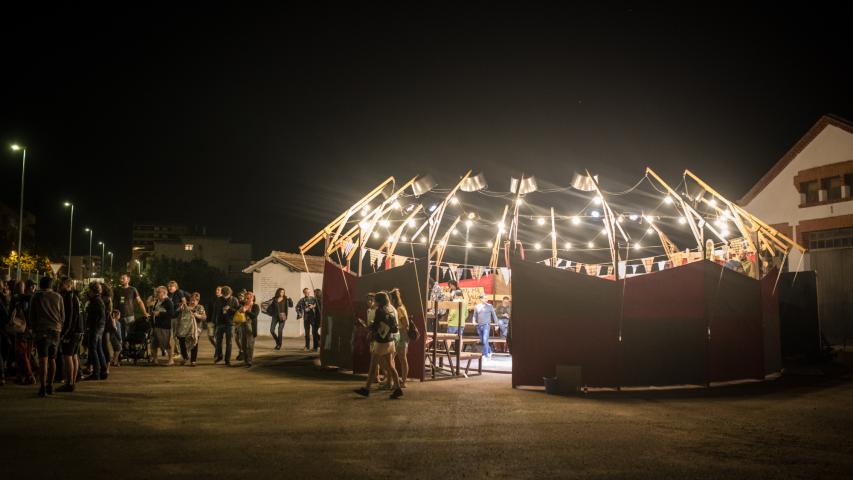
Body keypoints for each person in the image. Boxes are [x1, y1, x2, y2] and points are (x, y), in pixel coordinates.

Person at [355, 291, 403, 399]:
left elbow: (375, 326)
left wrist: (366, 326)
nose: (373, 301)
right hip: (390, 340)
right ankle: (398, 388)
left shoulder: (379, 311)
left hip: (380, 342)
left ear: (378, 301)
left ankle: (366, 389)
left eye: (375, 300)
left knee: (373, 367)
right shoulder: (390, 309)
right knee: (391, 366)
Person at [28, 276, 65, 397]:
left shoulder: (36, 296)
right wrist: (59, 325)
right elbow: (62, 316)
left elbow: (32, 315)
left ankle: (43, 387)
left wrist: (33, 329)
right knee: (52, 359)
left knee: (43, 359)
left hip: (41, 330)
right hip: (56, 330)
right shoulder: (58, 297)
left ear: (41, 284)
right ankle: (50, 385)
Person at [57, 277, 83, 392]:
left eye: (61, 284)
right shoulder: (76, 296)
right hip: (78, 329)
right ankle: (73, 381)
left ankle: (69, 383)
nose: (59, 286)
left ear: (68, 285)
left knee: (67, 356)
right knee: (74, 355)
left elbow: (69, 316)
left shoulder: (68, 297)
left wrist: (65, 332)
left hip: (72, 331)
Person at [113, 273, 148, 345]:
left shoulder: (133, 289)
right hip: (119, 316)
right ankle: (123, 349)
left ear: (128, 280)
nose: (121, 280)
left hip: (130, 316)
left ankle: (130, 348)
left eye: (123, 278)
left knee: (130, 334)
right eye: (120, 278)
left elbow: (139, 301)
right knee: (120, 335)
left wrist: (145, 313)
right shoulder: (116, 290)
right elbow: (113, 303)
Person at [11, 280, 35, 385]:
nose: (21, 288)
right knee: (25, 354)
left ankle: (29, 376)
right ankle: (21, 376)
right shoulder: (28, 298)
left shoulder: (19, 298)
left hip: (23, 328)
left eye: (21, 286)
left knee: (22, 353)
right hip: (28, 329)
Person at [84, 282, 108, 380]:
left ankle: (96, 372)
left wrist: (91, 325)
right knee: (98, 349)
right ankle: (103, 371)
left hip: (95, 327)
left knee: (93, 349)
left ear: (92, 290)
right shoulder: (99, 300)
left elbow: (97, 315)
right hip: (100, 327)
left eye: (89, 290)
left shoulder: (95, 301)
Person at [389, 288, 411, 388]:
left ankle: (403, 381)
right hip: (399, 334)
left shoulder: (399, 309)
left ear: (393, 299)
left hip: (401, 334)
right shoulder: (401, 307)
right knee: (393, 358)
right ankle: (395, 379)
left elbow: (405, 324)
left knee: (402, 358)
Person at [214, 286, 240, 365]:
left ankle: (227, 360)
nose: (225, 297)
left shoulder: (234, 300)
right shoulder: (218, 299)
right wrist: (214, 322)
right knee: (218, 341)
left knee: (229, 342)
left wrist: (229, 309)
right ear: (222, 293)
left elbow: (238, 311)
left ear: (230, 293)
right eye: (224, 295)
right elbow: (215, 311)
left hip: (230, 323)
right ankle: (219, 356)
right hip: (220, 323)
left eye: (227, 295)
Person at [149, 286, 175, 366]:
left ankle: (171, 360)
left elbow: (171, 314)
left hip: (164, 327)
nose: (156, 294)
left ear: (164, 293)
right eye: (156, 292)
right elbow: (154, 311)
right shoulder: (158, 301)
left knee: (166, 343)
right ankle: (155, 360)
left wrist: (160, 313)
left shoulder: (168, 302)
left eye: (158, 292)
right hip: (156, 326)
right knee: (153, 344)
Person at [176, 293, 201, 366]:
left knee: (194, 343)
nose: (193, 302)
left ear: (198, 301)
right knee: (181, 342)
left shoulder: (199, 307)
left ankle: (193, 361)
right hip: (183, 328)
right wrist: (180, 307)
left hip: (195, 329)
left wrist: (197, 315)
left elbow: (204, 317)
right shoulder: (184, 306)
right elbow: (176, 313)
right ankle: (185, 357)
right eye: (192, 300)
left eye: (195, 300)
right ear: (189, 300)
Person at [235, 291, 259, 367]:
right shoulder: (242, 305)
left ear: (252, 298)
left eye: (248, 298)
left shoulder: (255, 306)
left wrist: (247, 311)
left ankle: (249, 361)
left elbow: (254, 316)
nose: (246, 299)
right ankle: (245, 361)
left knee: (250, 345)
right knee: (243, 345)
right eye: (245, 298)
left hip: (251, 327)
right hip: (242, 326)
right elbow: (236, 312)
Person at [473, 293, 498, 359]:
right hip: (479, 325)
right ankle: (489, 351)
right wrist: (473, 321)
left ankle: (485, 355)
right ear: (481, 299)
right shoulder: (477, 306)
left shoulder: (490, 306)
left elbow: (494, 316)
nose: (486, 299)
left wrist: (496, 324)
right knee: (483, 341)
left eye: (486, 298)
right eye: (485, 298)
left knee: (485, 340)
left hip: (486, 325)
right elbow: (474, 316)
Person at [167, 281, 185, 358]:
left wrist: (179, 309)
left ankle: (178, 352)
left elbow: (184, 302)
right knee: (173, 335)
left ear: (175, 286)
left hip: (177, 316)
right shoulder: (170, 294)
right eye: (168, 286)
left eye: (171, 286)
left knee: (176, 335)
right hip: (171, 317)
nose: (169, 288)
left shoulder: (178, 292)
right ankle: (176, 352)